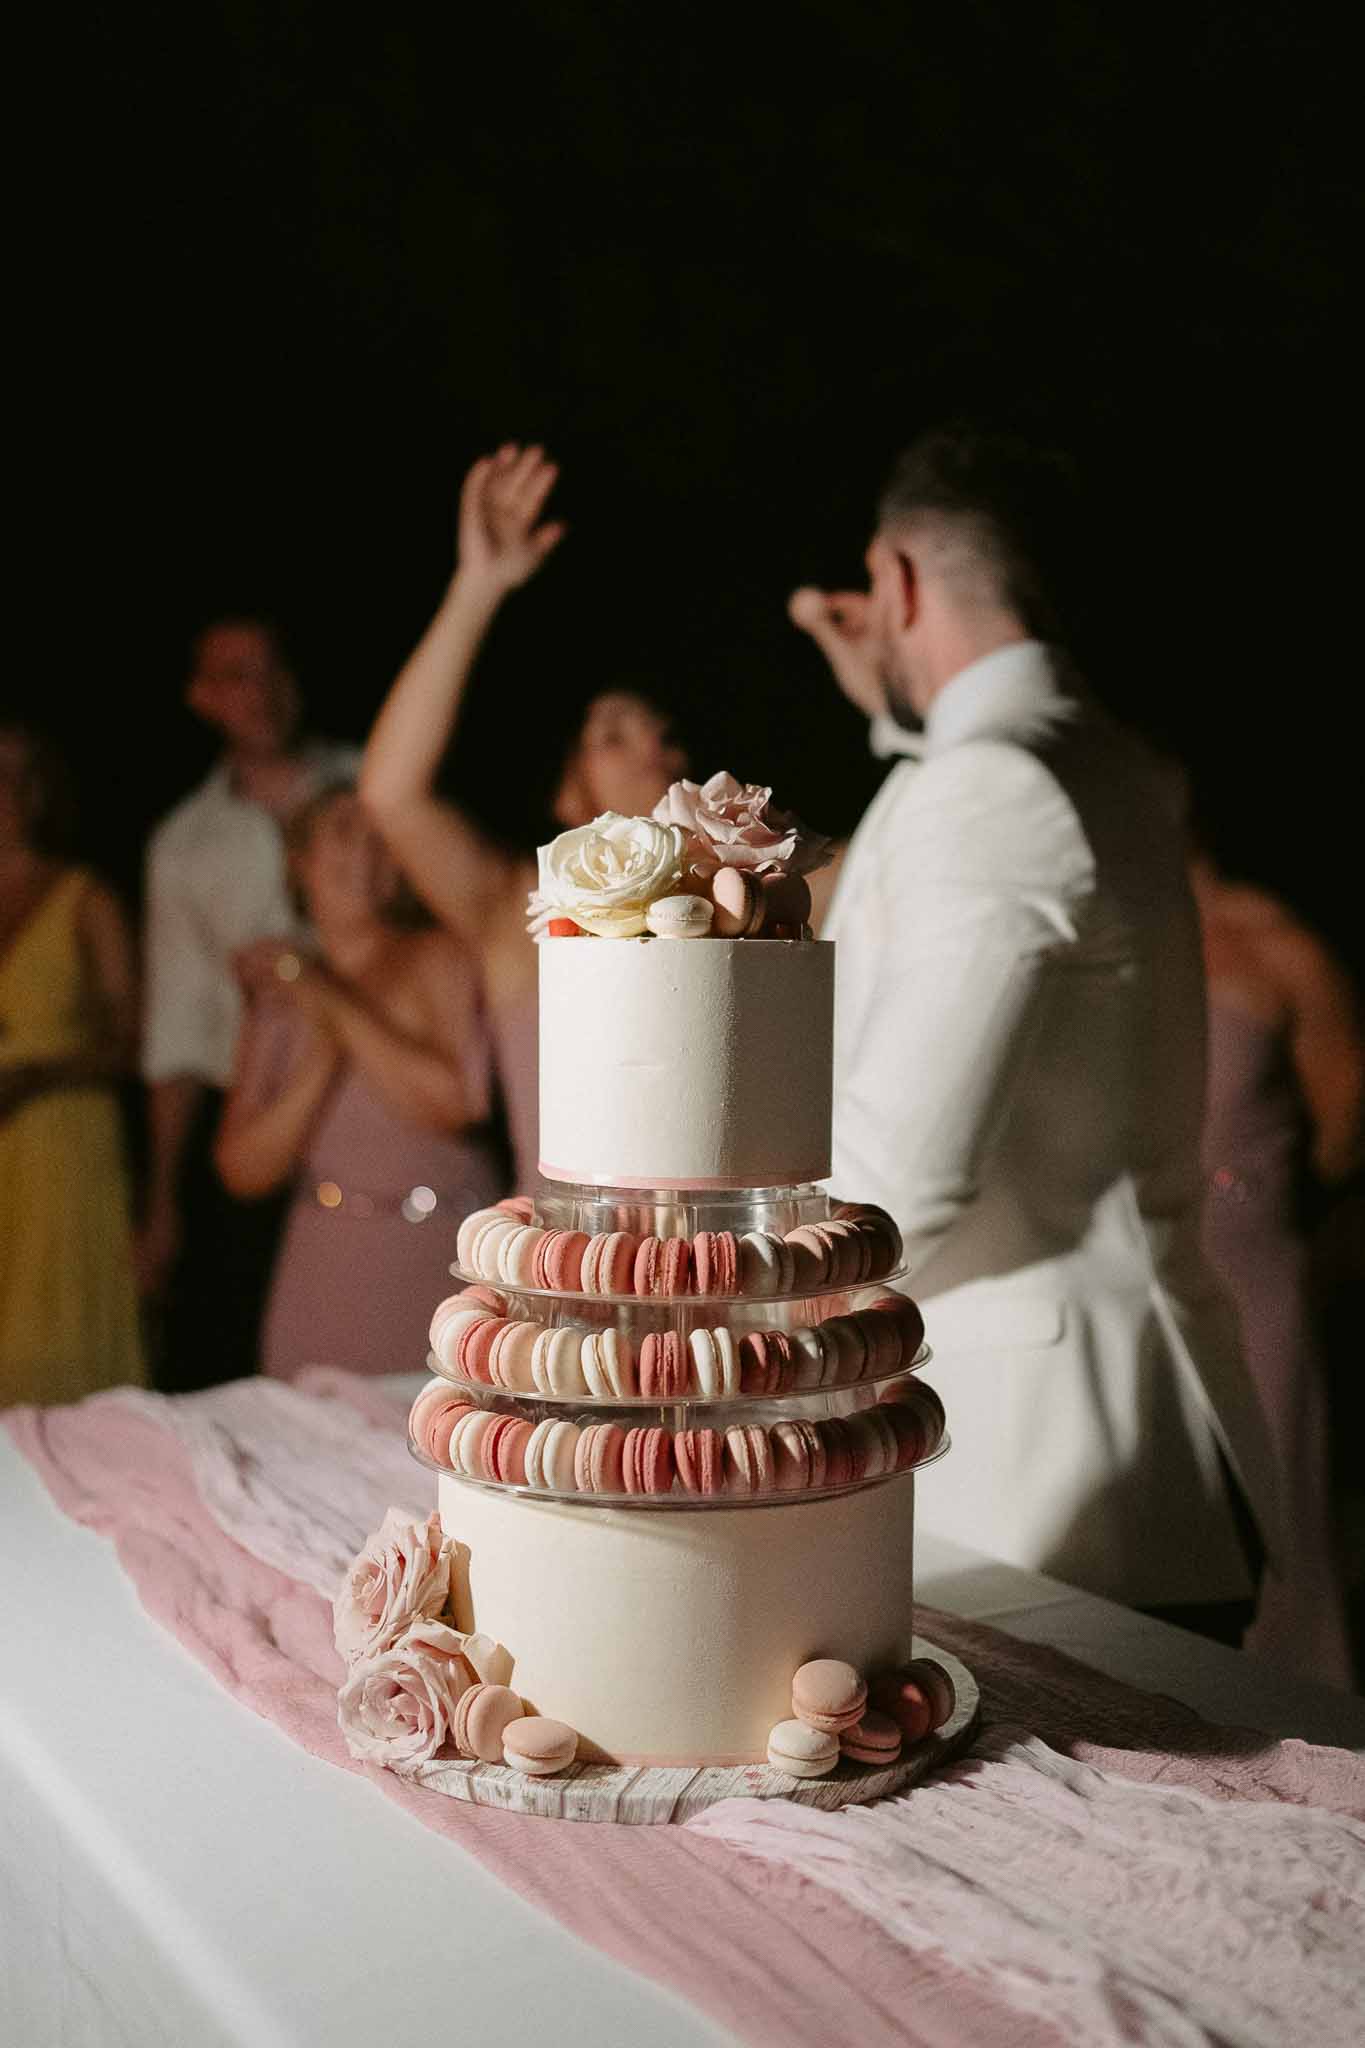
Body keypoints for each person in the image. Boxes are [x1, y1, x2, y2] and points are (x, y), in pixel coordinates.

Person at [793, 423, 1279, 1639]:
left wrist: (708, 1311)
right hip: (1137, 1442)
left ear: (897, 581)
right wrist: (895, 707)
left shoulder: (991, 787)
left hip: (1039, 1486)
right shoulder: (1102, 760)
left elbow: (897, 1178)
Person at [361, 445, 685, 1188]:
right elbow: (390, 794)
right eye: (612, 736)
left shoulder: (759, 890)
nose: (654, 750)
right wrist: (478, 586)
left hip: (718, 1273)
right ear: (568, 796)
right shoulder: (524, 906)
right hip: (567, 1273)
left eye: (661, 732)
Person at [214, 783, 504, 1379]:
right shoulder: (280, 991)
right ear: (301, 863)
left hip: (436, 1263)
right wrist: (320, 1052)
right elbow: (243, 1170)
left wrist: (329, 997)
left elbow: (455, 1104)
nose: (368, 851)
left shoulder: (438, 955)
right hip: (324, 1269)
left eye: (381, 838)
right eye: (346, 832)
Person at [140, 618, 356, 1389]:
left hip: (379, 1087)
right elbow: (178, 1029)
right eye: (234, 676)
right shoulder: (183, 843)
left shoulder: (369, 784)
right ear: (201, 697)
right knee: (244, 1348)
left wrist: (316, 974)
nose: (258, 691)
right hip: (256, 1107)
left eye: (271, 670)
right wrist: (162, 1202)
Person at [1192, 844, 1362, 1684]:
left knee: (1278, 1496)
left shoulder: (1274, 944)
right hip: (1131, 1265)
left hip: (1250, 1256)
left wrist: (1256, 1198)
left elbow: (1342, 1123)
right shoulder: (1097, 933)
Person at [1, 723, 144, 1403]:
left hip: (61, 1138)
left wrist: (39, 1075)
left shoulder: (86, 897)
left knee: (51, 1345)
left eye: (18, 774)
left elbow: (128, 1039)